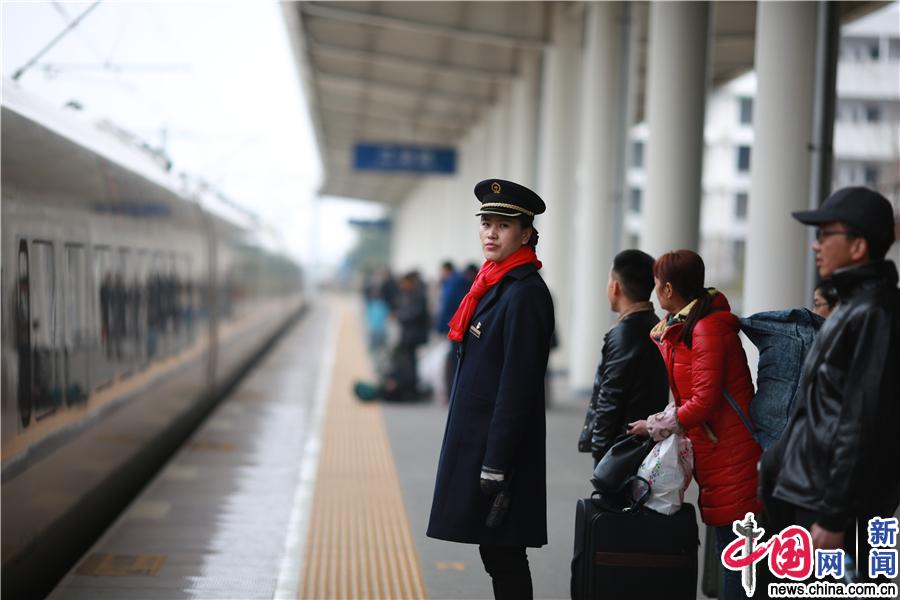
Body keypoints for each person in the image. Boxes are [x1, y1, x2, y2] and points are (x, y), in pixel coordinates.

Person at [759, 187, 900, 581]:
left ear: (858, 246)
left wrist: (834, 516)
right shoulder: (853, 306)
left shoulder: (873, 313)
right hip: (809, 499)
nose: (815, 245)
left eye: (825, 235)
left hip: (828, 512)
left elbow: (861, 421)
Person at [427, 179, 554, 600]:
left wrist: (496, 462)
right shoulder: (492, 284)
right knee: (497, 551)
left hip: (499, 449)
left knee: (504, 553)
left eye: (503, 225)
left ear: (526, 233)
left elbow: (518, 385)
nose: (491, 233)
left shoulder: (525, 294)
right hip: (480, 441)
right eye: (486, 224)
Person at [628, 249, 760, 600]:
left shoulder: (705, 329)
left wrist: (654, 426)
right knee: (731, 551)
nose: (655, 291)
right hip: (717, 452)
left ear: (669, 289)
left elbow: (702, 401)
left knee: (737, 557)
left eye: (657, 284)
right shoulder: (687, 327)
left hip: (731, 454)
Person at [578, 249, 668, 465]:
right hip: (643, 444)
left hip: (621, 448)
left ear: (615, 287)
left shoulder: (625, 332)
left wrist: (600, 451)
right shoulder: (654, 324)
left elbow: (611, 396)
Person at [435, 260, 471, 400]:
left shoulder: (452, 284)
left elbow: (446, 306)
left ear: (447, 270)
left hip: (454, 328)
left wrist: (440, 328)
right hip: (461, 327)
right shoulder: (459, 282)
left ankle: (452, 392)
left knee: (453, 361)